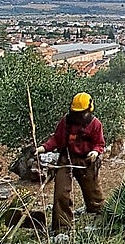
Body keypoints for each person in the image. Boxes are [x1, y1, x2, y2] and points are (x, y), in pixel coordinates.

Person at [34, 92, 105, 232]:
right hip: (66, 159)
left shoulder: (95, 124)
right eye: (75, 112)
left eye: (81, 113)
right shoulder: (66, 121)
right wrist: (43, 148)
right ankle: (62, 227)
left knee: (93, 192)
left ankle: (101, 215)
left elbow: (100, 143)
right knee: (61, 192)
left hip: (86, 160)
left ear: (88, 110)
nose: (78, 116)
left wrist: (95, 152)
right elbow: (56, 138)